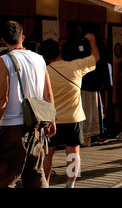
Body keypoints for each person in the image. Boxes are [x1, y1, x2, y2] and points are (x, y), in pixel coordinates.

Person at [0, 21, 55, 188]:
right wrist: (52, 121)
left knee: (6, 178)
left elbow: (3, 98)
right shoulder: (39, 59)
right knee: (36, 177)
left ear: (3, 40)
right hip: (37, 126)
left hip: (12, 127)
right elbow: (48, 94)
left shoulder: (4, 60)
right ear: (22, 37)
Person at [41, 34, 99, 188]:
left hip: (50, 118)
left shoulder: (43, 72)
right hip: (73, 117)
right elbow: (95, 58)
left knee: (48, 153)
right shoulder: (75, 66)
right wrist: (92, 40)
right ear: (60, 50)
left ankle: (45, 184)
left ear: (44, 56)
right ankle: (70, 184)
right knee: (73, 152)